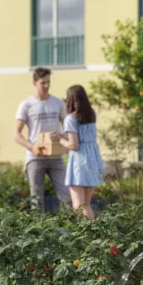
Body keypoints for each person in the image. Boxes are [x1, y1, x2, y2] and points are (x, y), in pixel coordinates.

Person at [14, 67, 72, 213]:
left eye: (48, 82)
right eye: (42, 83)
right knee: (37, 201)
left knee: (66, 197)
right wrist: (31, 146)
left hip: (56, 157)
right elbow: (16, 134)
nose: (46, 86)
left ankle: (68, 232)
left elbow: (68, 129)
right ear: (35, 82)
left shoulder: (58, 103)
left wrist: (62, 137)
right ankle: (38, 234)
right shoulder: (26, 104)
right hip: (35, 157)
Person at [57, 85, 104, 220]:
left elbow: (74, 145)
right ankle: (94, 234)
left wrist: (60, 139)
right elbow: (84, 136)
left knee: (79, 206)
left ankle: (85, 237)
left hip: (79, 162)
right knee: (87, 205)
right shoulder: (92, 114)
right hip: (93, 159)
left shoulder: (70, 118)